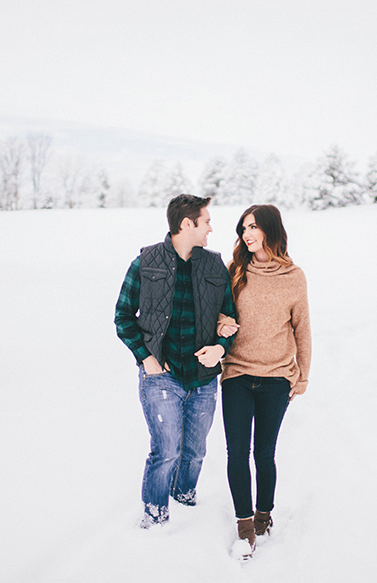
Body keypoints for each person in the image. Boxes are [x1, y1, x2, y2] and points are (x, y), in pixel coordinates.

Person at [114, 194, 237, 528]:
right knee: (166, 450)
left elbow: (230, 318)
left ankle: (185, 501)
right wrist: (146, 358)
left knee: (195, 453)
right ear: (187, 224)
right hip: (161, 376)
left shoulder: (214, 265)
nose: (211, 228)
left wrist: (220, 347)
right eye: (206, 221)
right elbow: (123, 316)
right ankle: (155, 517)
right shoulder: (146, 262)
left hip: (203, 377)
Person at [217, 204, 311, 554]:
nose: (247, 234)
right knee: (237, 452)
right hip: (237, 373)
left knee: (264, 453)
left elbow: (302, 329)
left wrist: (302, 376)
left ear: (271, 230)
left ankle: (263, 515)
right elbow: (219, 314)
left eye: (253, 227)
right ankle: (244, 525)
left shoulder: (294, 277)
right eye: (244, 228)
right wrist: (221, 324)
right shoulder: (236, 271)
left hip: (276, 378)